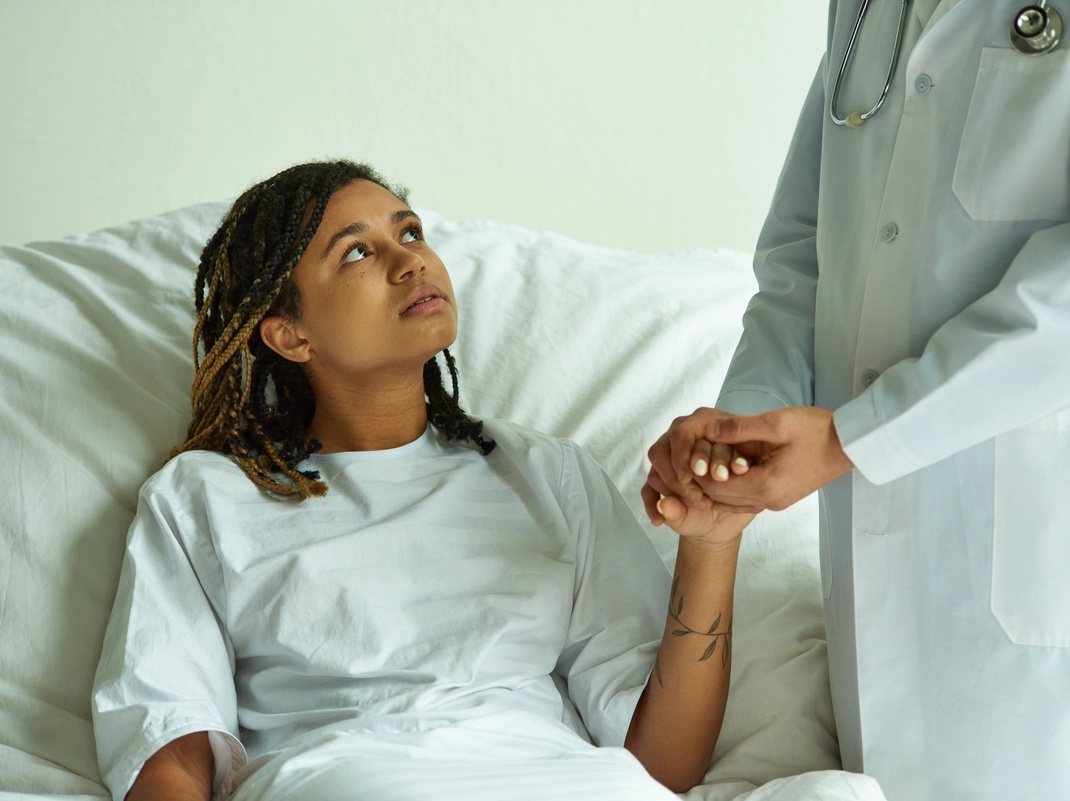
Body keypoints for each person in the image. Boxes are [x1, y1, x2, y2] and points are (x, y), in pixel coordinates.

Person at [644, 2, 1070, 800]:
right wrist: (741, 432)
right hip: (879, 569)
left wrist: (855, 437)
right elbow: (804, 252)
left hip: (1068, 554)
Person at [92, 160, 752, 801]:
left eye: (409, 233)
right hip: (350, 778)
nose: (411, 261)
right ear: (290, 335)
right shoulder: (206, 498)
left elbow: (664, 764)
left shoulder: (549, 475)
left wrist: (712, 544)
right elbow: (169, 744)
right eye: (356, 253)